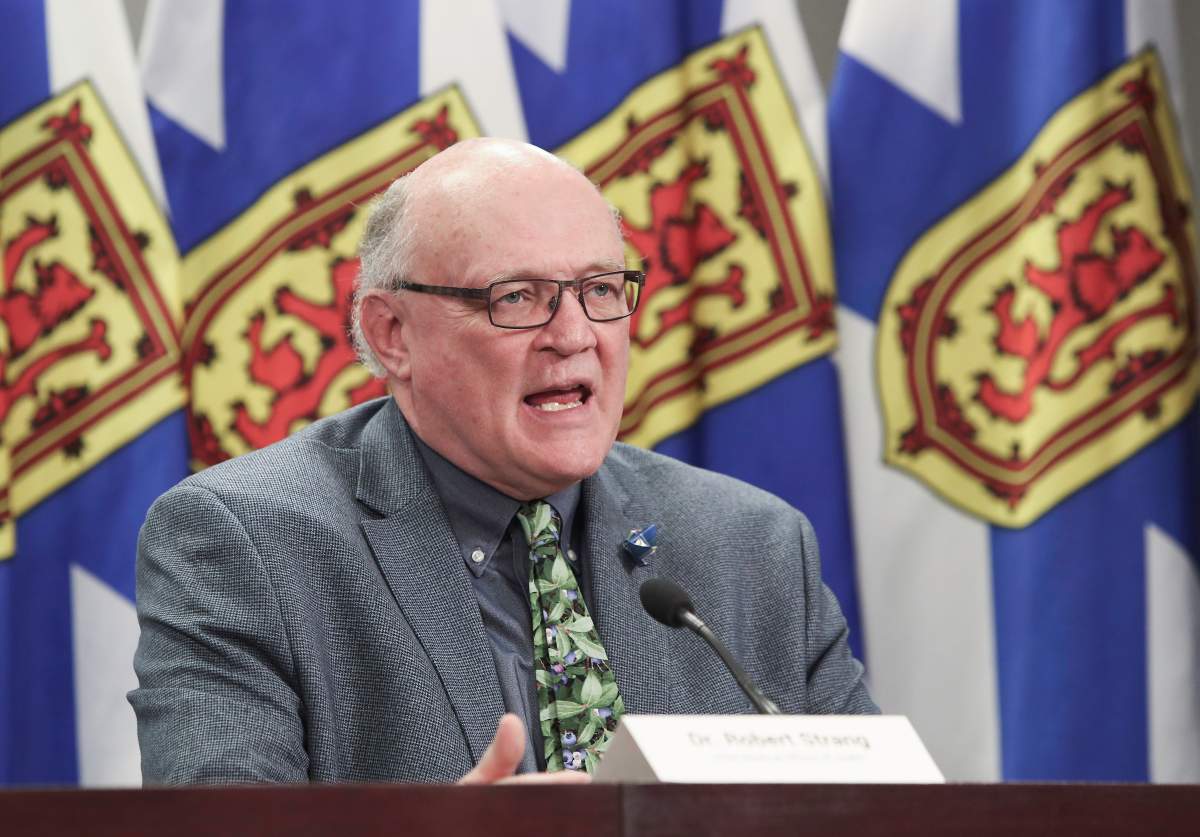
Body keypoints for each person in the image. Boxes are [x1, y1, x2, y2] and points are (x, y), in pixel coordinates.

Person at [129, 138, 876, 785]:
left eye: (600, 289)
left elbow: (877, 815)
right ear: (391, 334)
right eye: (517, 297)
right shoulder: (240, 544)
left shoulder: (753, 546)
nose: (576, 334)